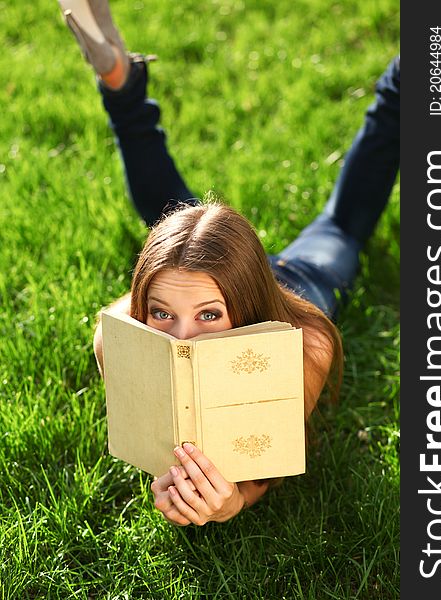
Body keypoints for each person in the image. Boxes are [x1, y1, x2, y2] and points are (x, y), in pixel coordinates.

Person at [57, 0, 399, 526]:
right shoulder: (119, 333)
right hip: (209, 269)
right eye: (162, 314)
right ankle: (120, 85)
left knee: (343, 227)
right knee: (164, 213)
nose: (182, 340)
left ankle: (410, 75)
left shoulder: (308, 343)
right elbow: (141, 322)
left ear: (240, 302)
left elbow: (271, 463)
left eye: (209, 317)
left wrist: (236, 500)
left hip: (301, 282)